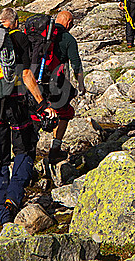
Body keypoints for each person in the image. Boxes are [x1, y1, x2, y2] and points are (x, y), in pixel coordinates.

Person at [0, 8, 56, 225]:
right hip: (15, 104)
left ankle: (3, 212)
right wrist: (42, 105)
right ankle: (13, 199)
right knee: (25, 150)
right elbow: (26, 74)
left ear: (1, 22)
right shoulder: (18, 38)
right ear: (15, 22)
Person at [30, 10, 85, 163]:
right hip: (56, 86)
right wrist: (80, 85)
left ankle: (28, 153)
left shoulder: (39, 36)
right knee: (65, 113)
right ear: (68, 22)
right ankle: (55, 148)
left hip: (35, 82)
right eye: (72, 23)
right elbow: (76, 64)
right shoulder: (68, 39)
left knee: (35, 114)